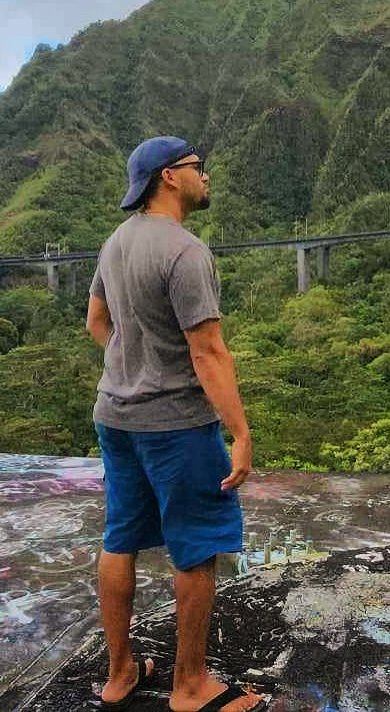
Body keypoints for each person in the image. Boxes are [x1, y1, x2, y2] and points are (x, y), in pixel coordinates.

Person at [86, 136, 264, 712]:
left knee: (120, 540)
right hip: (177, 427)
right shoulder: (186, 252)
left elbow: (96, 321)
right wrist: (240, 433)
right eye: (198, 168)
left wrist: (134, 362)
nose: (205, 176)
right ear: (169, 176)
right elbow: (208, 352)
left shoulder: (115, 244)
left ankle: (120, 675)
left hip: (115, 416)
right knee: (194, 547)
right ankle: (190, 687)